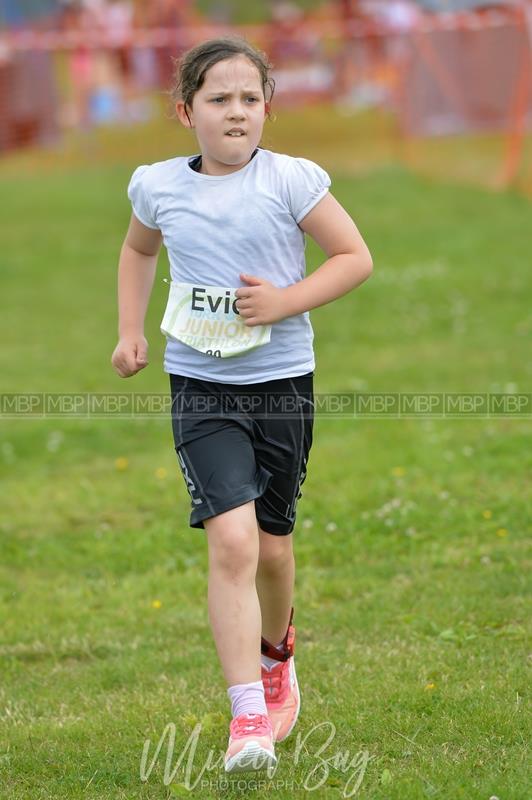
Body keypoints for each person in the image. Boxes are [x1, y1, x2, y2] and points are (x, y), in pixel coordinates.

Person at [110, 34, 373, 774]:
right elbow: (138, 251)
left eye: (250, 99)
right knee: (232, 542)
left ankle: (278, 652)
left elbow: (355, 256)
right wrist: (130, 331)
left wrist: (285, 300)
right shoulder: (157, 186)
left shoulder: (292, 181)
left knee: (275, 546)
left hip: (283, 382)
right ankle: (247, 717)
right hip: (200, 383)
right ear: (184, 109)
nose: (236, 113)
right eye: (218, 99)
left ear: (268, 109)